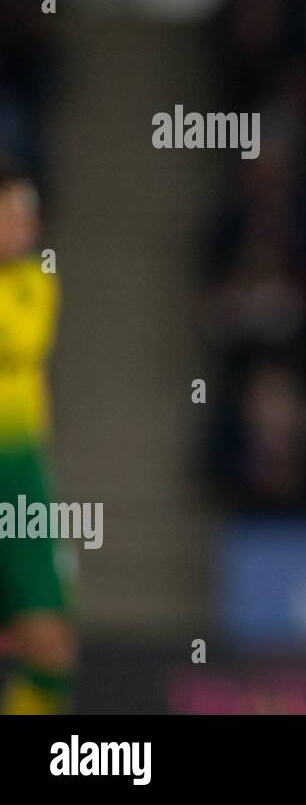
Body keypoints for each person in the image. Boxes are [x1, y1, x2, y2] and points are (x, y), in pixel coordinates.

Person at [0, 160, 75, 714]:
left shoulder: (35, 285)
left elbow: (17, 340)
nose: (28, 227)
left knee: (49, 646)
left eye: (30, 215)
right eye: (14, 212)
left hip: (19, 478)